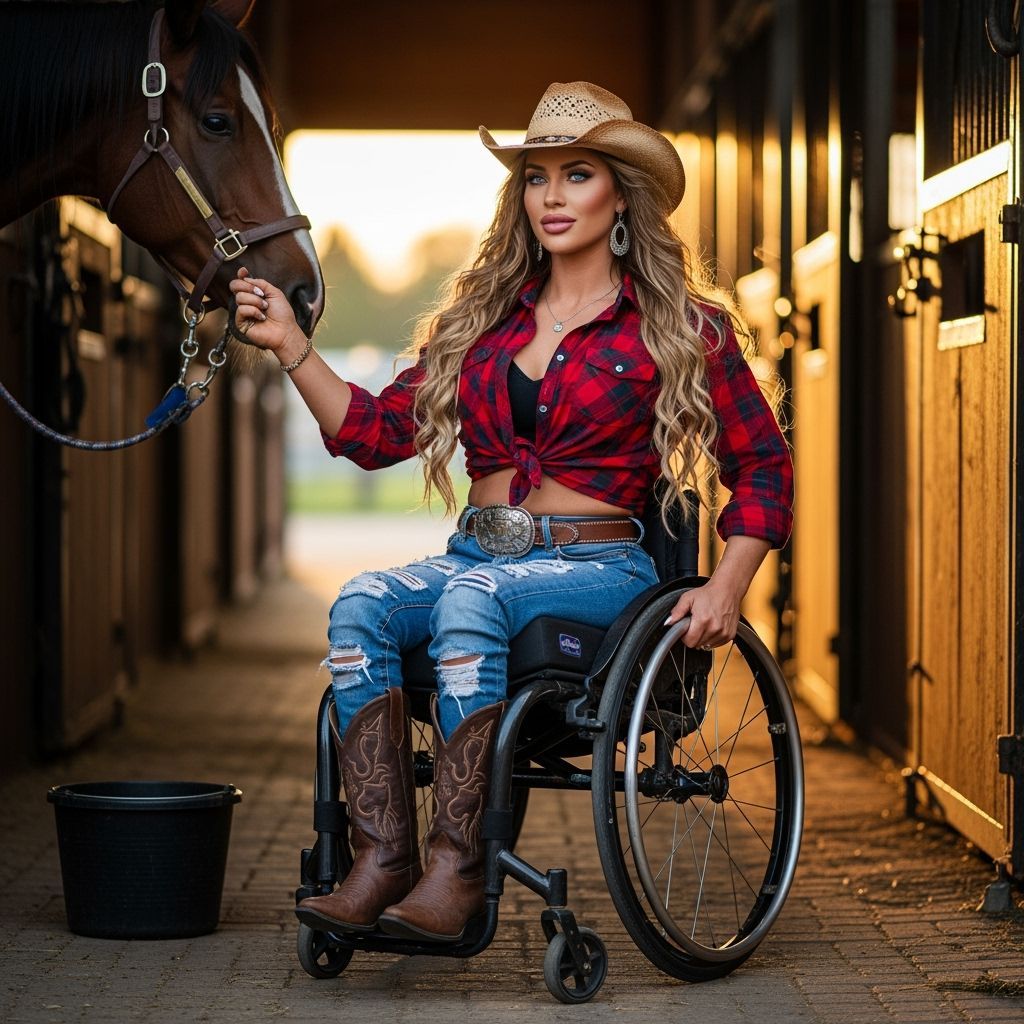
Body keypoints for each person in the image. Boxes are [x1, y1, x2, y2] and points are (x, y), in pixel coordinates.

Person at [230, 81, 793, 944]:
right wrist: (294, 349)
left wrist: (728, 584)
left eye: (577, 175)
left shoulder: (681, 326)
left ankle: (458, 870)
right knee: (360, 604)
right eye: (537, 178)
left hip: (601, 571)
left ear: (620, 198)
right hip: (477, 558)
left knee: (469, 603)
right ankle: (385, 862)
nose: (553, 197)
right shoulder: (481, 324)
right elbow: (378, 431)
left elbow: (760, 463)